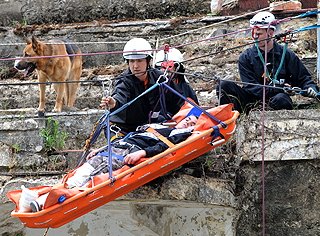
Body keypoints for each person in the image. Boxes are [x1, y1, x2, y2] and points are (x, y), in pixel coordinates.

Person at [26, 114, 198, 212]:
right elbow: (128, 136)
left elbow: (163, 147)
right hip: (119, 146)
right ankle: (41, 197)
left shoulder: (178, 134)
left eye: (192, 123)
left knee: (85, 177)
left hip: (127, 151)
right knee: (82, 174)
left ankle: (42, 202)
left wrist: (142, 152)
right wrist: (101, 148)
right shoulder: (161, 125)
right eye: (188, 119)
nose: (188, 122)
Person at [217, 11, 319, 113]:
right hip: (249, 101)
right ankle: (230, 119)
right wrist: (279, 88)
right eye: (254, 33)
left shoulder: (286, 54)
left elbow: (303, 78)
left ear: (270, 33)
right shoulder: (246, 57)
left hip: (275, 100)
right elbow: (251, 87)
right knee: (224, 85)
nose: (255, 37)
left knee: (282, 99)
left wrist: (310, 88)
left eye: (259, 33)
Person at [100, 38, 184, 137]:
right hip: (123, 129)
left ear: (148, 61)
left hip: (147, 126)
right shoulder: (124, 81)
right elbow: (120, 96)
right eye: (132, 61)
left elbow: (179, 101)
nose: (135, 66)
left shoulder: (160, 79)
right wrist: (114, 103)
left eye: (139, 61)